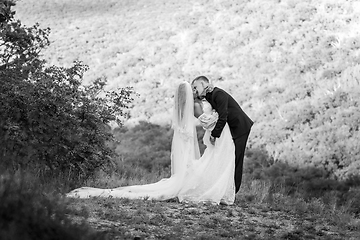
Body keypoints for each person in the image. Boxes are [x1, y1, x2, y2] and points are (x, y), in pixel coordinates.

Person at [67, 81, 235, 205]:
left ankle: (184, 181)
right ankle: (187, 185)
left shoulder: (181, 107)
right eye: (191, 90)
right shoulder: (196, 107)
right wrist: (217, 116)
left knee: (187, 167)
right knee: (190, 168)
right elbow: (206, 121)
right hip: (188, 139)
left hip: (183, 140)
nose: (194, 91)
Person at [191, 76, 253, 193]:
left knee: (236, 158)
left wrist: (214, 135)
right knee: (228, 157)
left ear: (203, 84)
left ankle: (233, 191)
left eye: (195, 87)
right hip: (230, 129)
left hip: (240, 127)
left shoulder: (218, 94)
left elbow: (223, 116)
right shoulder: (208, 96)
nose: (194, 90)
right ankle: (224, 188)